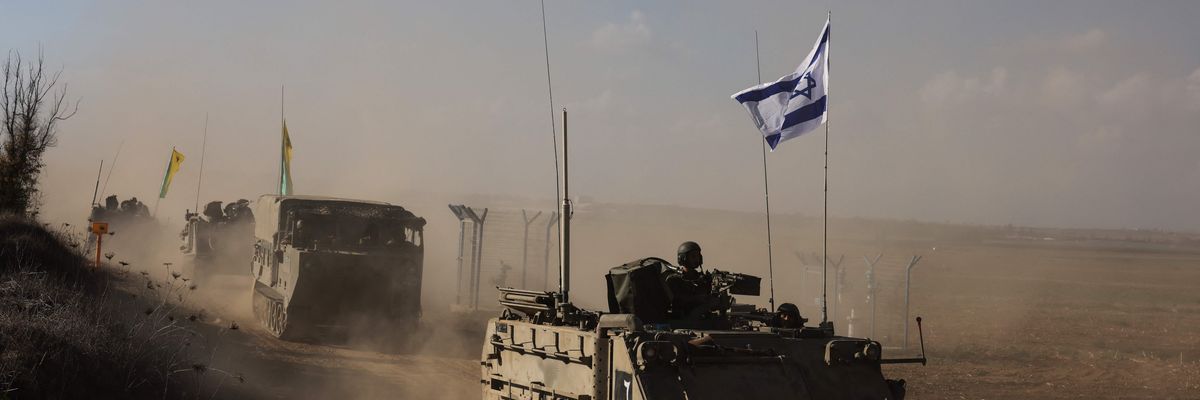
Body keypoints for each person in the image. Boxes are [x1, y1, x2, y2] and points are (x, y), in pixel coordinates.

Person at [664, 241, 720, 320]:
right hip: (682, 319)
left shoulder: (704, 279)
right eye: (693, 256)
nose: (696, 259)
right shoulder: (674, 279)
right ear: (683, 258)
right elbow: (677, 300)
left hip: (701, 320)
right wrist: (697, 298)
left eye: (698, 256)